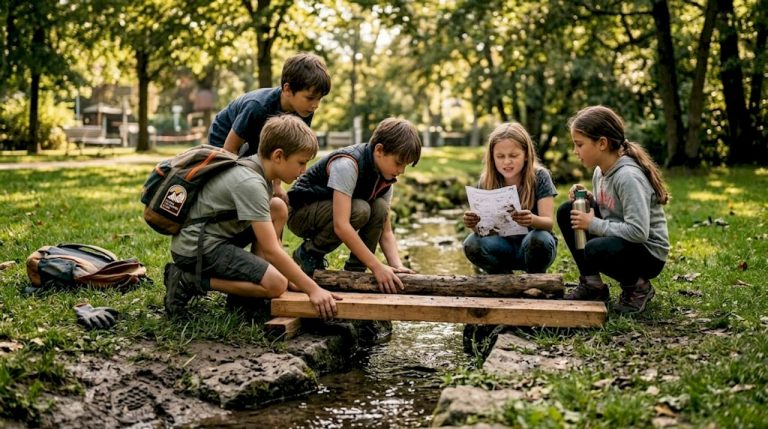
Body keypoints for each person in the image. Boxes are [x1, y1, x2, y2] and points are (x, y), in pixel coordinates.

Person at [164, 115, 341, 319]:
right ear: (278, 156)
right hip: (195, 248)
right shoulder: (251, 183)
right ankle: (186, 280)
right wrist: (313, 289)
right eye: (301, 162)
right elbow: (272, 250)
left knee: (277, 207)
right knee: (277, 284)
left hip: (211, 237)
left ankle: (246, 297)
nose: (304, 170)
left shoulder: (258, 170)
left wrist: (293, 277)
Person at [287, 118, 421, 293]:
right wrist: (377, 266)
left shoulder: (385, 177)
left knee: (380, 207)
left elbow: (385, 230)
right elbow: (341, 226)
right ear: (379, 150)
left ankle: (356, 271)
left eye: (406, 165)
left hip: (330, 212)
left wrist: (397, 266)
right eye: (399, 163)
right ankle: (309, 253)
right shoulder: (348, 165)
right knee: (361, 209)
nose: (401, 170)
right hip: (301, 214)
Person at [557, 105, 669, 315]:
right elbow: (613, 210)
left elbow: (638, 232)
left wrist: (593, 224)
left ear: (601, 143)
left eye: (579, 144)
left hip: (648, 253)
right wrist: (590, 200)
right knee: (567, 211)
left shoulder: (627, 177)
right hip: (624, 242)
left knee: (595, 248)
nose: (575, 151)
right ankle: (593, 286)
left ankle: (637, 288)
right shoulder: (601, 172)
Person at [207, 52, 331, 203]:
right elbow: (229, 149)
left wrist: (277, 186)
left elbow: (286, 150)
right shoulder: (257, 107)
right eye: (310, 98)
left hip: (260, 139)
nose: (315, 105)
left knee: (261, 181)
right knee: (241, 181)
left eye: (319, 99)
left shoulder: (304, 110)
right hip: (226, 137)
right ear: (287, 89)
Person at [462, 122, 558, 274]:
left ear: (526, 155)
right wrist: (473, 224)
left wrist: (532, 220)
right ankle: (503, 278)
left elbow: (548, 223)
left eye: (513, 155)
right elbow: (483, 231)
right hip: (501, 246)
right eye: (500, 156)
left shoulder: (540, 176)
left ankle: (535, 277)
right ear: (492, 157)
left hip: (534, 246)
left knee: (539, 239)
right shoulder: (486, 181)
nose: (507, 162)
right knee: (471, 243)